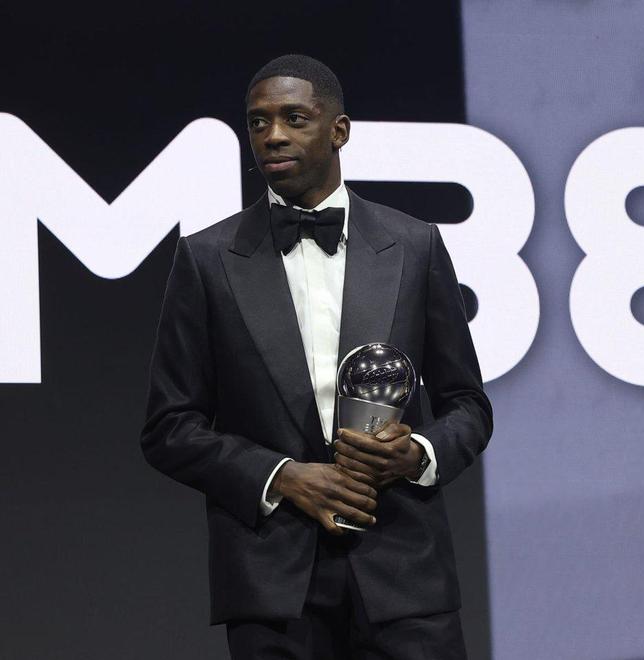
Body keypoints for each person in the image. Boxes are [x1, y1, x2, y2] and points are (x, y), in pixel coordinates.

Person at [140, 53, 493, 659]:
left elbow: (468, 405)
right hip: (274, 584)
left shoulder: (414, 245)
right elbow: (168, 427)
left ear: (339, 130)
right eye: (258, 122)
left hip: (404, 572)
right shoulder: (206, 259)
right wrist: (283, 477)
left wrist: (417, 454)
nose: (272, 135)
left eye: (294, 118)